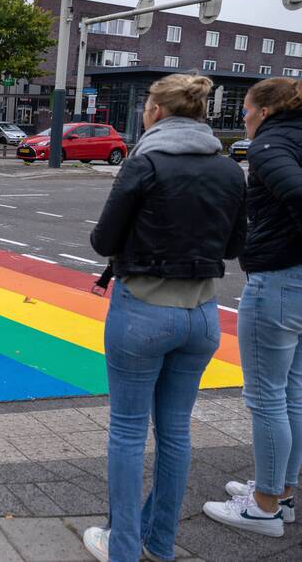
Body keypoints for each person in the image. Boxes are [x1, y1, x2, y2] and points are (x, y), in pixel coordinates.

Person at [83, 73, 247, 561]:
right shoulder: (228, 171)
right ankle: (160, 542)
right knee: (175, 431)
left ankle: (123, 546)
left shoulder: (144, 164)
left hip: (143, 312)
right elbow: (236, 246)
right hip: (202, 314)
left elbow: (104, 242)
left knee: (129, 431)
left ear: (157, 111)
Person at [203, 78, 302, 537]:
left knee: (266, 398)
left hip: (279, 279)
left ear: (263, 111)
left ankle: (262, 507)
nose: (243, 118)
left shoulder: (268, 146)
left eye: (245, 110)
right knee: (294, 396)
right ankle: (281, 492)